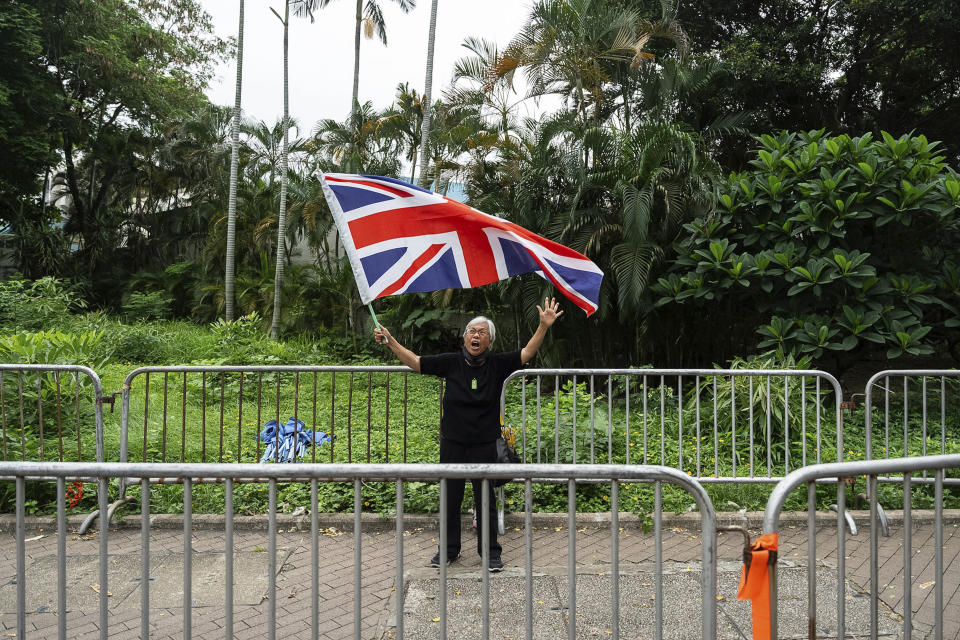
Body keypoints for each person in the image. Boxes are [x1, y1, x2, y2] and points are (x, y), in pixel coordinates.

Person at [373, 297, 563, 571]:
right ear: (464, 338)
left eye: (482, 332)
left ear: (489, 341)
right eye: (471, 332)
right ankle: (449, 550)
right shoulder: (451, 363)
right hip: (453, 444)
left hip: (485, 445)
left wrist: (544, 326)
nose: (476, 335)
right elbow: (415, 361)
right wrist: (390, 340)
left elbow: (526, 353)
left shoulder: (497, 364)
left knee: (485, 500)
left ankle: (491, 553)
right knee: (450, 499)